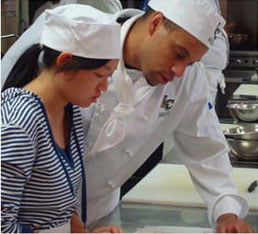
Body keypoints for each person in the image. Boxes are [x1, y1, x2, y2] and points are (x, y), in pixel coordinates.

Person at [1, 0, 254, 233]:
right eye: (178, 54)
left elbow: (205, 146)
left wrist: (226, 210)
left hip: (90, 216)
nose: (180, 71)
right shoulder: (81, 52)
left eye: (190, 63)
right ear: (155, 23)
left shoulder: (186, 77)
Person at [1, 4, 122, 233]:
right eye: (99, 75)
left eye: (109, 76)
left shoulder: (69, 111)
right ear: (65, 63)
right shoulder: (19, 124)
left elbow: (55, 211)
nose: (105, 87)